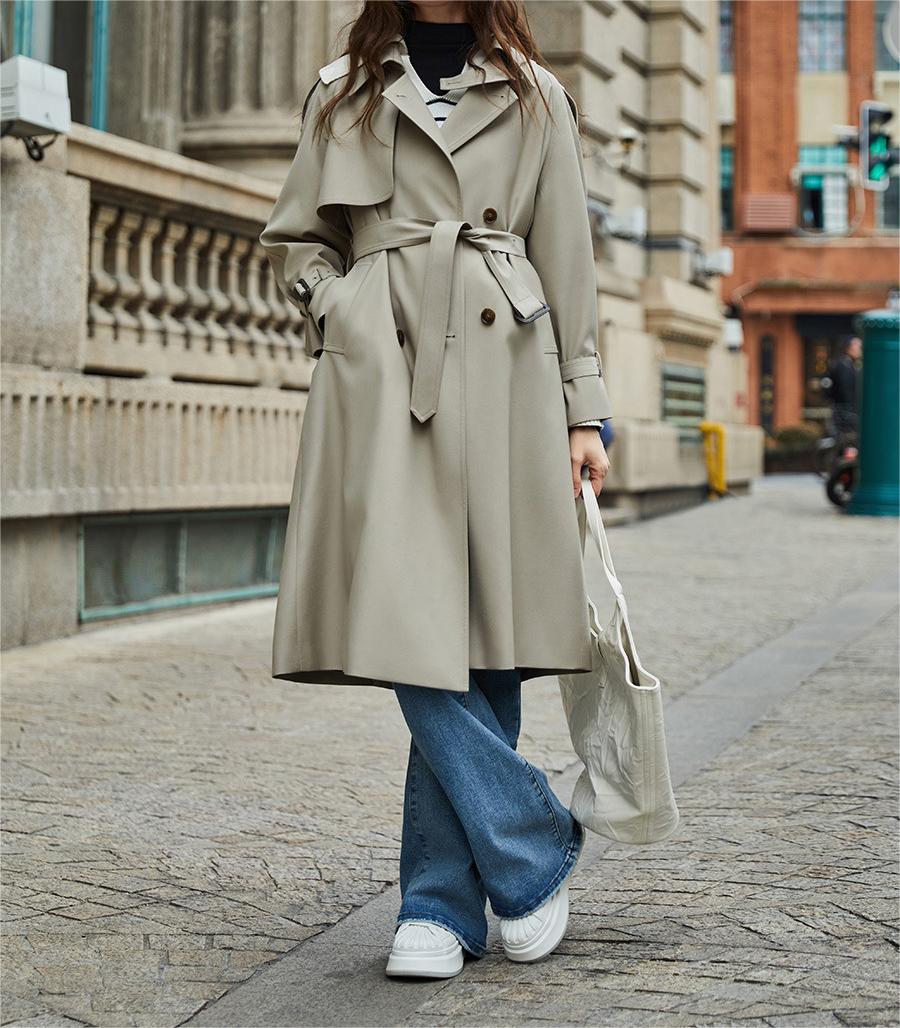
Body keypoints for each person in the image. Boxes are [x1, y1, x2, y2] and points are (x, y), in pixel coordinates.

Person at [259, 0, 612, 979]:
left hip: (507, 371)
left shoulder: (537, 95)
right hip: (385, 381)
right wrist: (345, 313)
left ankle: (439, 906)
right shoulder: (343, 91)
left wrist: (585, 410)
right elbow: (297, 238)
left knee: (487, 631)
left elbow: (569, 260)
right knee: (406, 611)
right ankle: (532, 840)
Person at [824, 335, 862, 436]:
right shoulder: (844, 366)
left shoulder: (851, 365)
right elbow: (844, 389)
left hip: (846, 410)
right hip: (845, 411)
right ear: (849, 348)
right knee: (846, 440)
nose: (860, 351)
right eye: (858, 347)